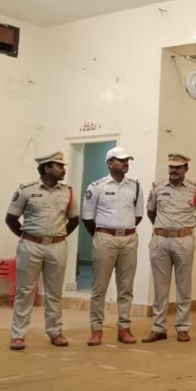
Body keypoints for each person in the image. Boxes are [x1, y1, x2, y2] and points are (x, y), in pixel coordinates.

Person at [6, 151, 80, 350]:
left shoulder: (68, 192)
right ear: (47, 168)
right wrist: (27, 236)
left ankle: (55, 332)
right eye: (59, 166)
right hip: (30, 246)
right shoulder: (26, 190)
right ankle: (18, 335)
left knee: (54, 291)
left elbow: (74, 220)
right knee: (25, 291)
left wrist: (59, 235)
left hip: (57, 246)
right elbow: (11, 218)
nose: (63, 170)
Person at [143, 153, 196, 343]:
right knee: (160, 288)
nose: (173, 170)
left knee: (184, 286)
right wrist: (164, 227)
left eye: (178, 167)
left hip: (183, 241)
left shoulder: (195, 188)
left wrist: (184, 226)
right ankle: (158, 328)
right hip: (160, 241)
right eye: (171, 167)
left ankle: (182, 327)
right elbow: (151, 212)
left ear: (186, 169)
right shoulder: (157, 187)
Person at [81, 146, 143, 346]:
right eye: (121, 160)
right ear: (109, 163)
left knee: (126, 288)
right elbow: (87, 217)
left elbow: (138, 215)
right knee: (99, 287)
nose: (126, 164)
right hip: (104, 239)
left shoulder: (135, 186)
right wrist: (103, 234)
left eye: (127, 160)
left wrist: (122, 229)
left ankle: (124, 328)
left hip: (129, 240)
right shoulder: (96, 187)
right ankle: (96, 329)